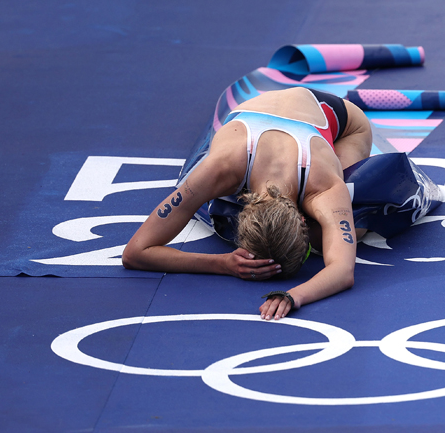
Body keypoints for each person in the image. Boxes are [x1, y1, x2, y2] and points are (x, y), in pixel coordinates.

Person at [122, 87, 373, 320]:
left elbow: (343, 271)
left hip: (344, 122)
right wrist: (222, 264)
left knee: (345, 233)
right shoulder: (219, 168)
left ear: (302, 219)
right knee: (334, 235)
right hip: (260, 116)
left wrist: (294, 296)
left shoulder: (324, 186)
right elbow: (134, 253)